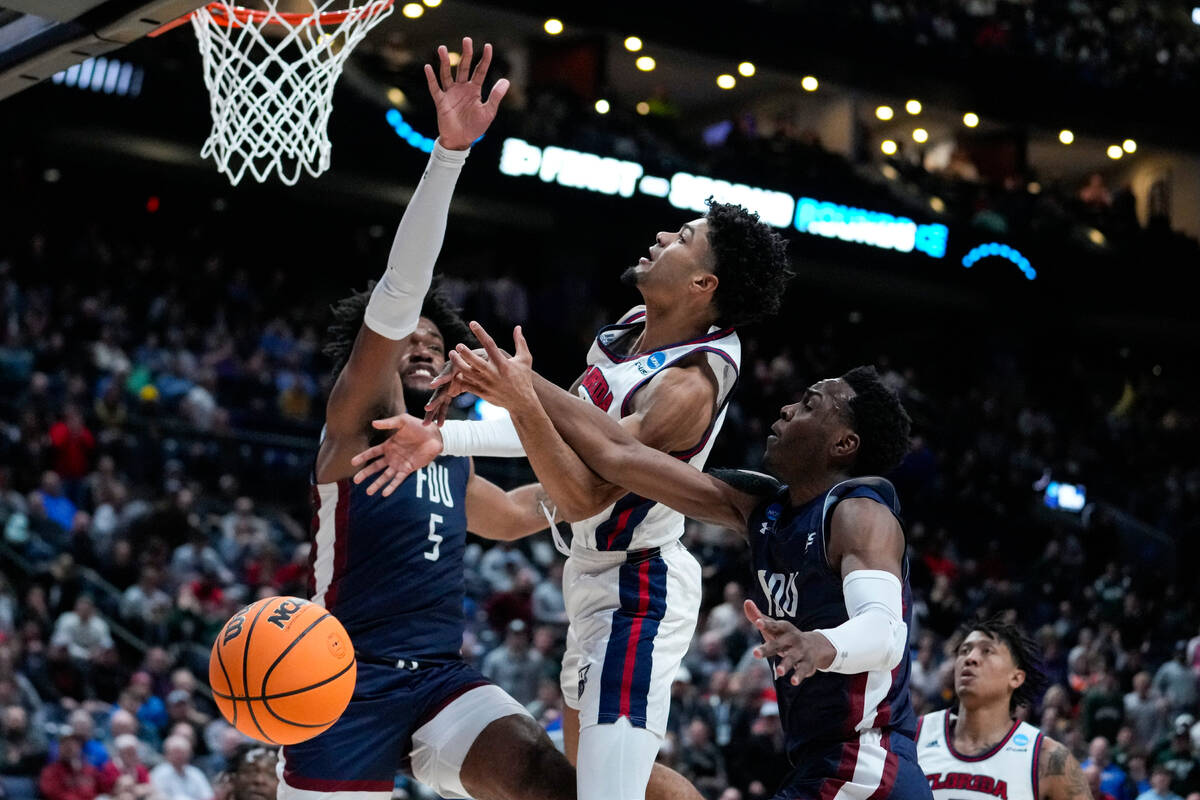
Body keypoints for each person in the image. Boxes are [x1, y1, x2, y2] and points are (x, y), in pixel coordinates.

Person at [356, 199, 790, 800]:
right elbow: (555, 430)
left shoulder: (686, 385)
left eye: (683, 236)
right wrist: (442, 436)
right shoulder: (633, 325)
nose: (663, 234)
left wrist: (519, 388)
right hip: (590, 573)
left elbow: (586, 494)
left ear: (702, 283)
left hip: (641, 590)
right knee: (594, 780)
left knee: (603, 794)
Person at [388, 331, 927, 800]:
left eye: (810, 405)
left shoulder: (860, 513)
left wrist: (821, 645)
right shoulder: (762, 506)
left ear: (844, 443)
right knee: (593, 767)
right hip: (819, 763)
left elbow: (886, 633)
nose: (788, 408)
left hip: (867, 764)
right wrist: (460, 429)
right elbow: (620, 455)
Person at [278, 38, 575, 800]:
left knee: (542, 775)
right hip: (339, 677)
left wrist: (591, 488)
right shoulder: (355, 424)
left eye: (434, 343)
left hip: (440, 679)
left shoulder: (449, 450)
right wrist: (448, 157)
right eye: (407, 338)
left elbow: (510, 516)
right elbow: (399, 293)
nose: (420, 345)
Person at [915, 617, 1092, 800]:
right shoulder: (915, 736)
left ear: (1016, 678)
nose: (970, 658)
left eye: (987, 651)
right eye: (964, 651)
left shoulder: (1048, 758)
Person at [149, 735, 211, 800]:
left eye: (183, 753)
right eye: (176, 752)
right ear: (167, 754)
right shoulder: (159, 773)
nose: (179, 756)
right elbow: (156, 796)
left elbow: (207, 796)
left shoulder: (195, 773)